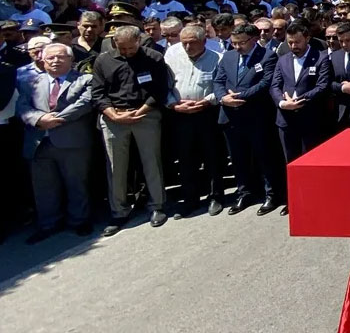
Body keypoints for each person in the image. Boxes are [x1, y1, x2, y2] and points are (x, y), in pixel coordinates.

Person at [90, 25, 169, 237]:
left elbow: (161, 89)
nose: (126, 52)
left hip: (146, 113)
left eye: (131, 48)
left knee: (151, 160)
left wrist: (142, 110)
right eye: (122, 48)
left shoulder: (153, 57)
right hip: (114, 116)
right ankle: (119, 210)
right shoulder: (103, 60)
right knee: (115, 165)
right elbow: (97, 93)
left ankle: (157, 206)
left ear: (139, 41)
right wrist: (113, 114)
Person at [16, 44, 95, 243]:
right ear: (43, 60)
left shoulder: (84, 79)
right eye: (50, 58)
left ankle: (79, 221)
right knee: (44, 187)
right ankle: (48, 223)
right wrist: (39, 119)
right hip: (39, 141)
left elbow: (84, 103)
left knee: (76, 183)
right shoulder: (30, 82)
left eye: (60, 57)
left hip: (72, 140)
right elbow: (22, 106)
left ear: (71, 60)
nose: (55, 61)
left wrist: (57, 119)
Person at [214, 22, 280, 216]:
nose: (236, 47)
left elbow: (266, 82)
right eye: (233, 43)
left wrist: (241, 97)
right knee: (238, 158)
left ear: (253, 39)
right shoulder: (228, 56)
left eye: (241, 43)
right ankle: (245, 192)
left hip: (256, 115)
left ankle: (271, 194)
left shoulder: (268, 56)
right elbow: (218, 80)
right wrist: (223, 98)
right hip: (231, 116)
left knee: (264, 156)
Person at [269, 21, 332, 215]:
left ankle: (313, 198)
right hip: (286, 119)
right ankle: (294, 200)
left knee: (310, 161)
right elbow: (274, 86)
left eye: (297, 42)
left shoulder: (321, 58)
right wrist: (282, 102)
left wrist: (300, 99)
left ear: (307, 39)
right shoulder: (283, 59)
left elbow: (322, 86)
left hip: (310, 119)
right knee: (291, 161)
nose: (294, 46)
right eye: (290, 42)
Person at [163, 25, 225, 217]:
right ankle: (190, 199)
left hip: (207, 113)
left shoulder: (217, 58)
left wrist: (207, 101)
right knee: (186, 158)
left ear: (204, 41)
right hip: (180, 114)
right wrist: (174, 105)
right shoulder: (171, 57)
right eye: (184, 43)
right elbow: (164, 86)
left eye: (192, 43)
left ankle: (215, 196)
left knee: (212, 156)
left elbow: (221, 86)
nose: (188, 47)